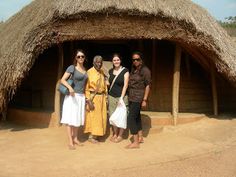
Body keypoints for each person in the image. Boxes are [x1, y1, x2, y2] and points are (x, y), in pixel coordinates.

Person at [60, 49, 88, 150]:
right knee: (70, 119)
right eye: (78, 56)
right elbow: (62, 80)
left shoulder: (85, 70)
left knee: (77, 118)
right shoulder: (72, 68)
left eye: (82, 56)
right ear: (75, 58)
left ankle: (75, 138)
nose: (80, 58)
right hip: (72, 96)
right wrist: (70, 88)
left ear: (84, 58)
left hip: (81, 97)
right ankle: (70, 141)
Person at [126, 51, 151, 149]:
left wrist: (145, 99)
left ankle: (135, 142)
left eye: (137, 59)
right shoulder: (134, 70)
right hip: (132, 97)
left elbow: (148, 85)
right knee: (136, 117)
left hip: (138, 97)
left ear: (141, 60)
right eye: (134, 60)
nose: (135, 61)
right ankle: (140, 137)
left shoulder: (145, 70)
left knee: (131, 118)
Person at [84, 55, 107, 143]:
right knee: (93, 117)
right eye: (97, 62)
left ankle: (96, 135)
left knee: (101, 117)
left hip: (102, 97)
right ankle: (91, 136)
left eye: (100, 62)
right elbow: (86, 88)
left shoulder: (101, 72)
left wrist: (106, 97)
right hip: (94, 97)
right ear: (93, 63)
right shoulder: (89, 72)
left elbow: (104, 85)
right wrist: (88, 100)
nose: (99, 64)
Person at [108, 53, 129, 143]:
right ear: (112, 62)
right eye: (114, 60)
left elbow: (125, 85)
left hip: (122, 97)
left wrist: (121, 97)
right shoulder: (110, 71)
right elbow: (109, 83)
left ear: (120, 61)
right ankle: (115, 133)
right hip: (111, 96)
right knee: (113, 115)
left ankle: (120, 135)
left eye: (118, 60)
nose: (116, 61)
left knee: (121, 116)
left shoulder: (125, 71)